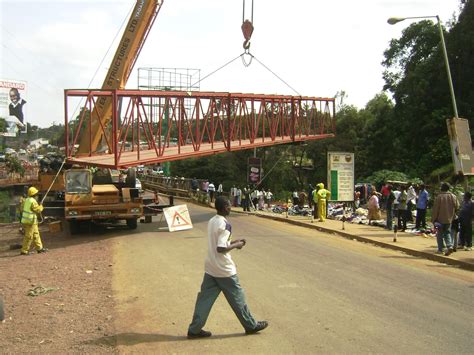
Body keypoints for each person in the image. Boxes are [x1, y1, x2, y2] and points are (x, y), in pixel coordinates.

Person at [187, 196, 268, 338]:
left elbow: (219, 241)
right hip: (224, 270)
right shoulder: (225, 225)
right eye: (229, 206)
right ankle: (250, 325)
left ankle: (194, 329)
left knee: (204, 300)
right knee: (238, 298)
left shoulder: (213, 221)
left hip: (211, 267)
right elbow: (221, 248)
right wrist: (237, 245)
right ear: (225, 207)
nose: (231, 207)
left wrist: (233, 241)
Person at [431, 182, 459, 256]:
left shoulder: (439, 197)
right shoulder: (453, 196)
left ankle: (440, 249)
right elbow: (457, 207)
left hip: (440, 219)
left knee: (439, 234)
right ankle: (449, 246)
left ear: (442, 188)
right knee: (447, 233)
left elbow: (435, 209)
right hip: (449, 219)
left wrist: (433, 219)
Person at [20, 187, 48, 255]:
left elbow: (21, 209)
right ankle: (24, 251)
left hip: (29, 221)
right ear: (34, 194)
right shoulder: (33, 201)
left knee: (36, 234)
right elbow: (37, 210)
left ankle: (39, 248)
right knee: (29, 236)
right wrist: (41, 206)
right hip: (30, 221)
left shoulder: (26, 200)